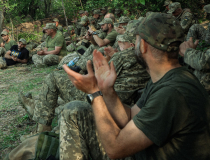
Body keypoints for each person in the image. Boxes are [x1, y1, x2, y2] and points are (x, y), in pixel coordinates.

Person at [60, 12, 210, 159]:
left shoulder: (172, 93)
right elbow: (131, 116)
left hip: (130, 151)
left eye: (136, 41)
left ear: (143, 45)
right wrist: (106, 90)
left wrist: (94, 93)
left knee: (71, 110)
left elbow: (115, 149)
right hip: (142, 150)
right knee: (75, 110)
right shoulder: (168, 78)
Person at [19, 30, 150, 138]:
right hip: (123, 104)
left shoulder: (125, 55)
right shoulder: (147, 59)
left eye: (122, 43)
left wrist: (110, 58)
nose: (118, 45)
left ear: (133, 45)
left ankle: (40, 132)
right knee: (60, 104)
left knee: (53, 77)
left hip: (103, 100)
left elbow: (102, 75)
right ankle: (36, 106)